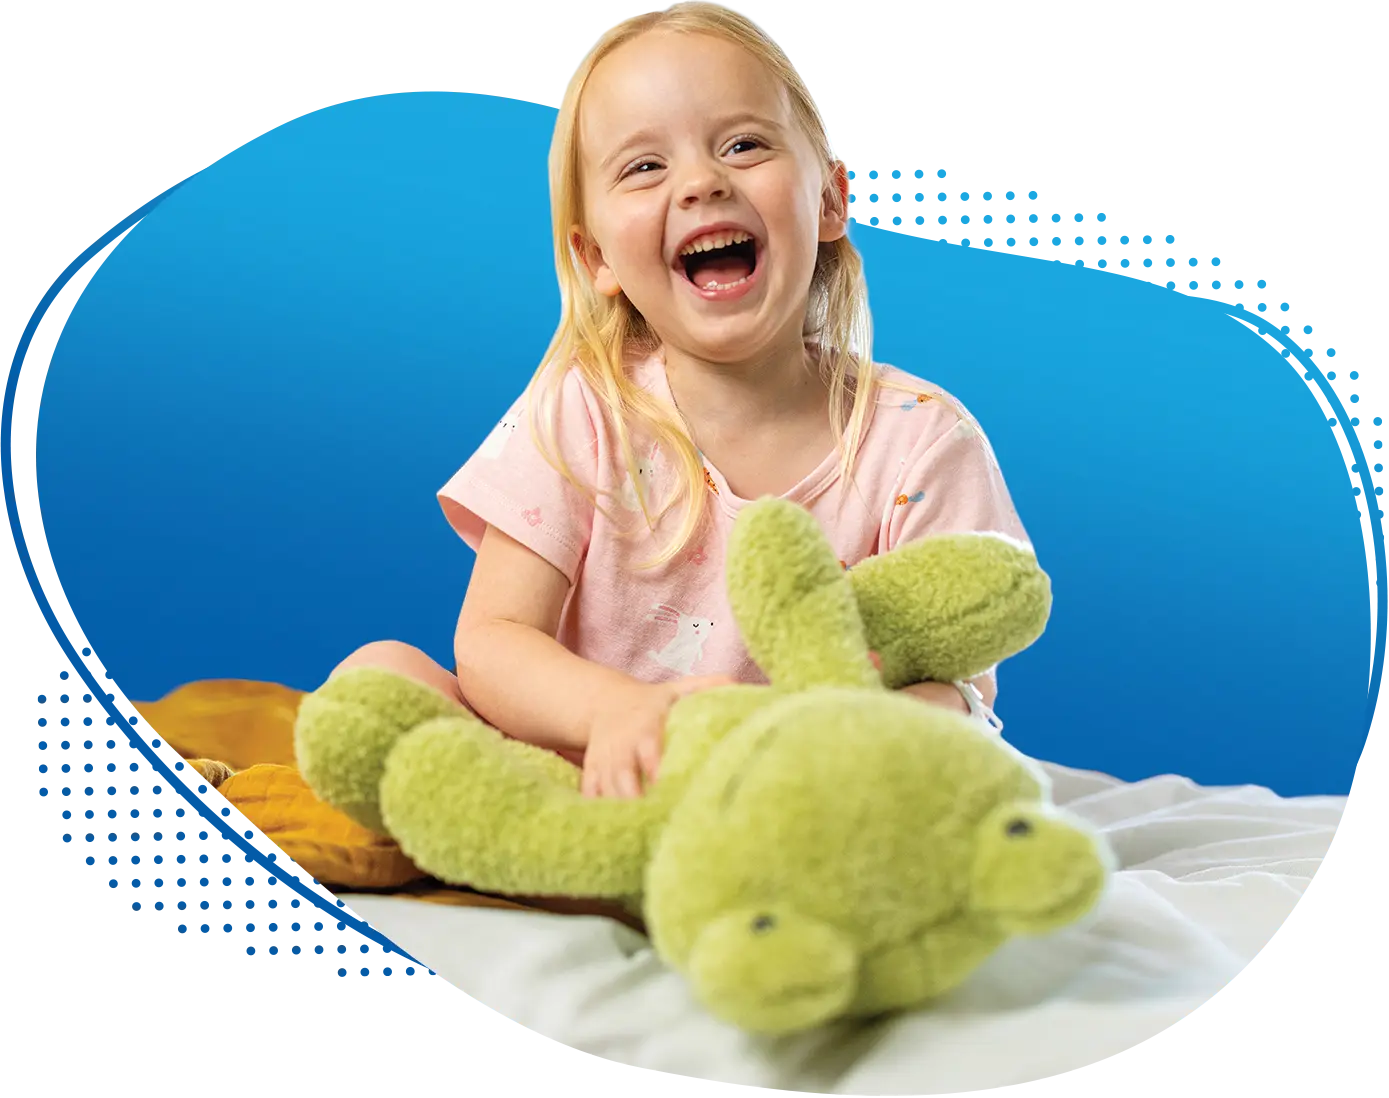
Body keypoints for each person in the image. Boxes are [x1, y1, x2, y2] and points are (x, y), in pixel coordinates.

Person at [327, 1, 1030, 800]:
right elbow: (493, 639)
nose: (702, 182)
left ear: (830, 200)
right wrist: (617, 712)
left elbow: (958, 688)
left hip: (783, 798)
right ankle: (549, 845)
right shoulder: (584, 409)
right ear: (596, 257)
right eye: (643, 167)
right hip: (578, 785)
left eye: (744, 144)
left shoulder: (922, 442)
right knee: (378, 677)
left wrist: (835, 747)